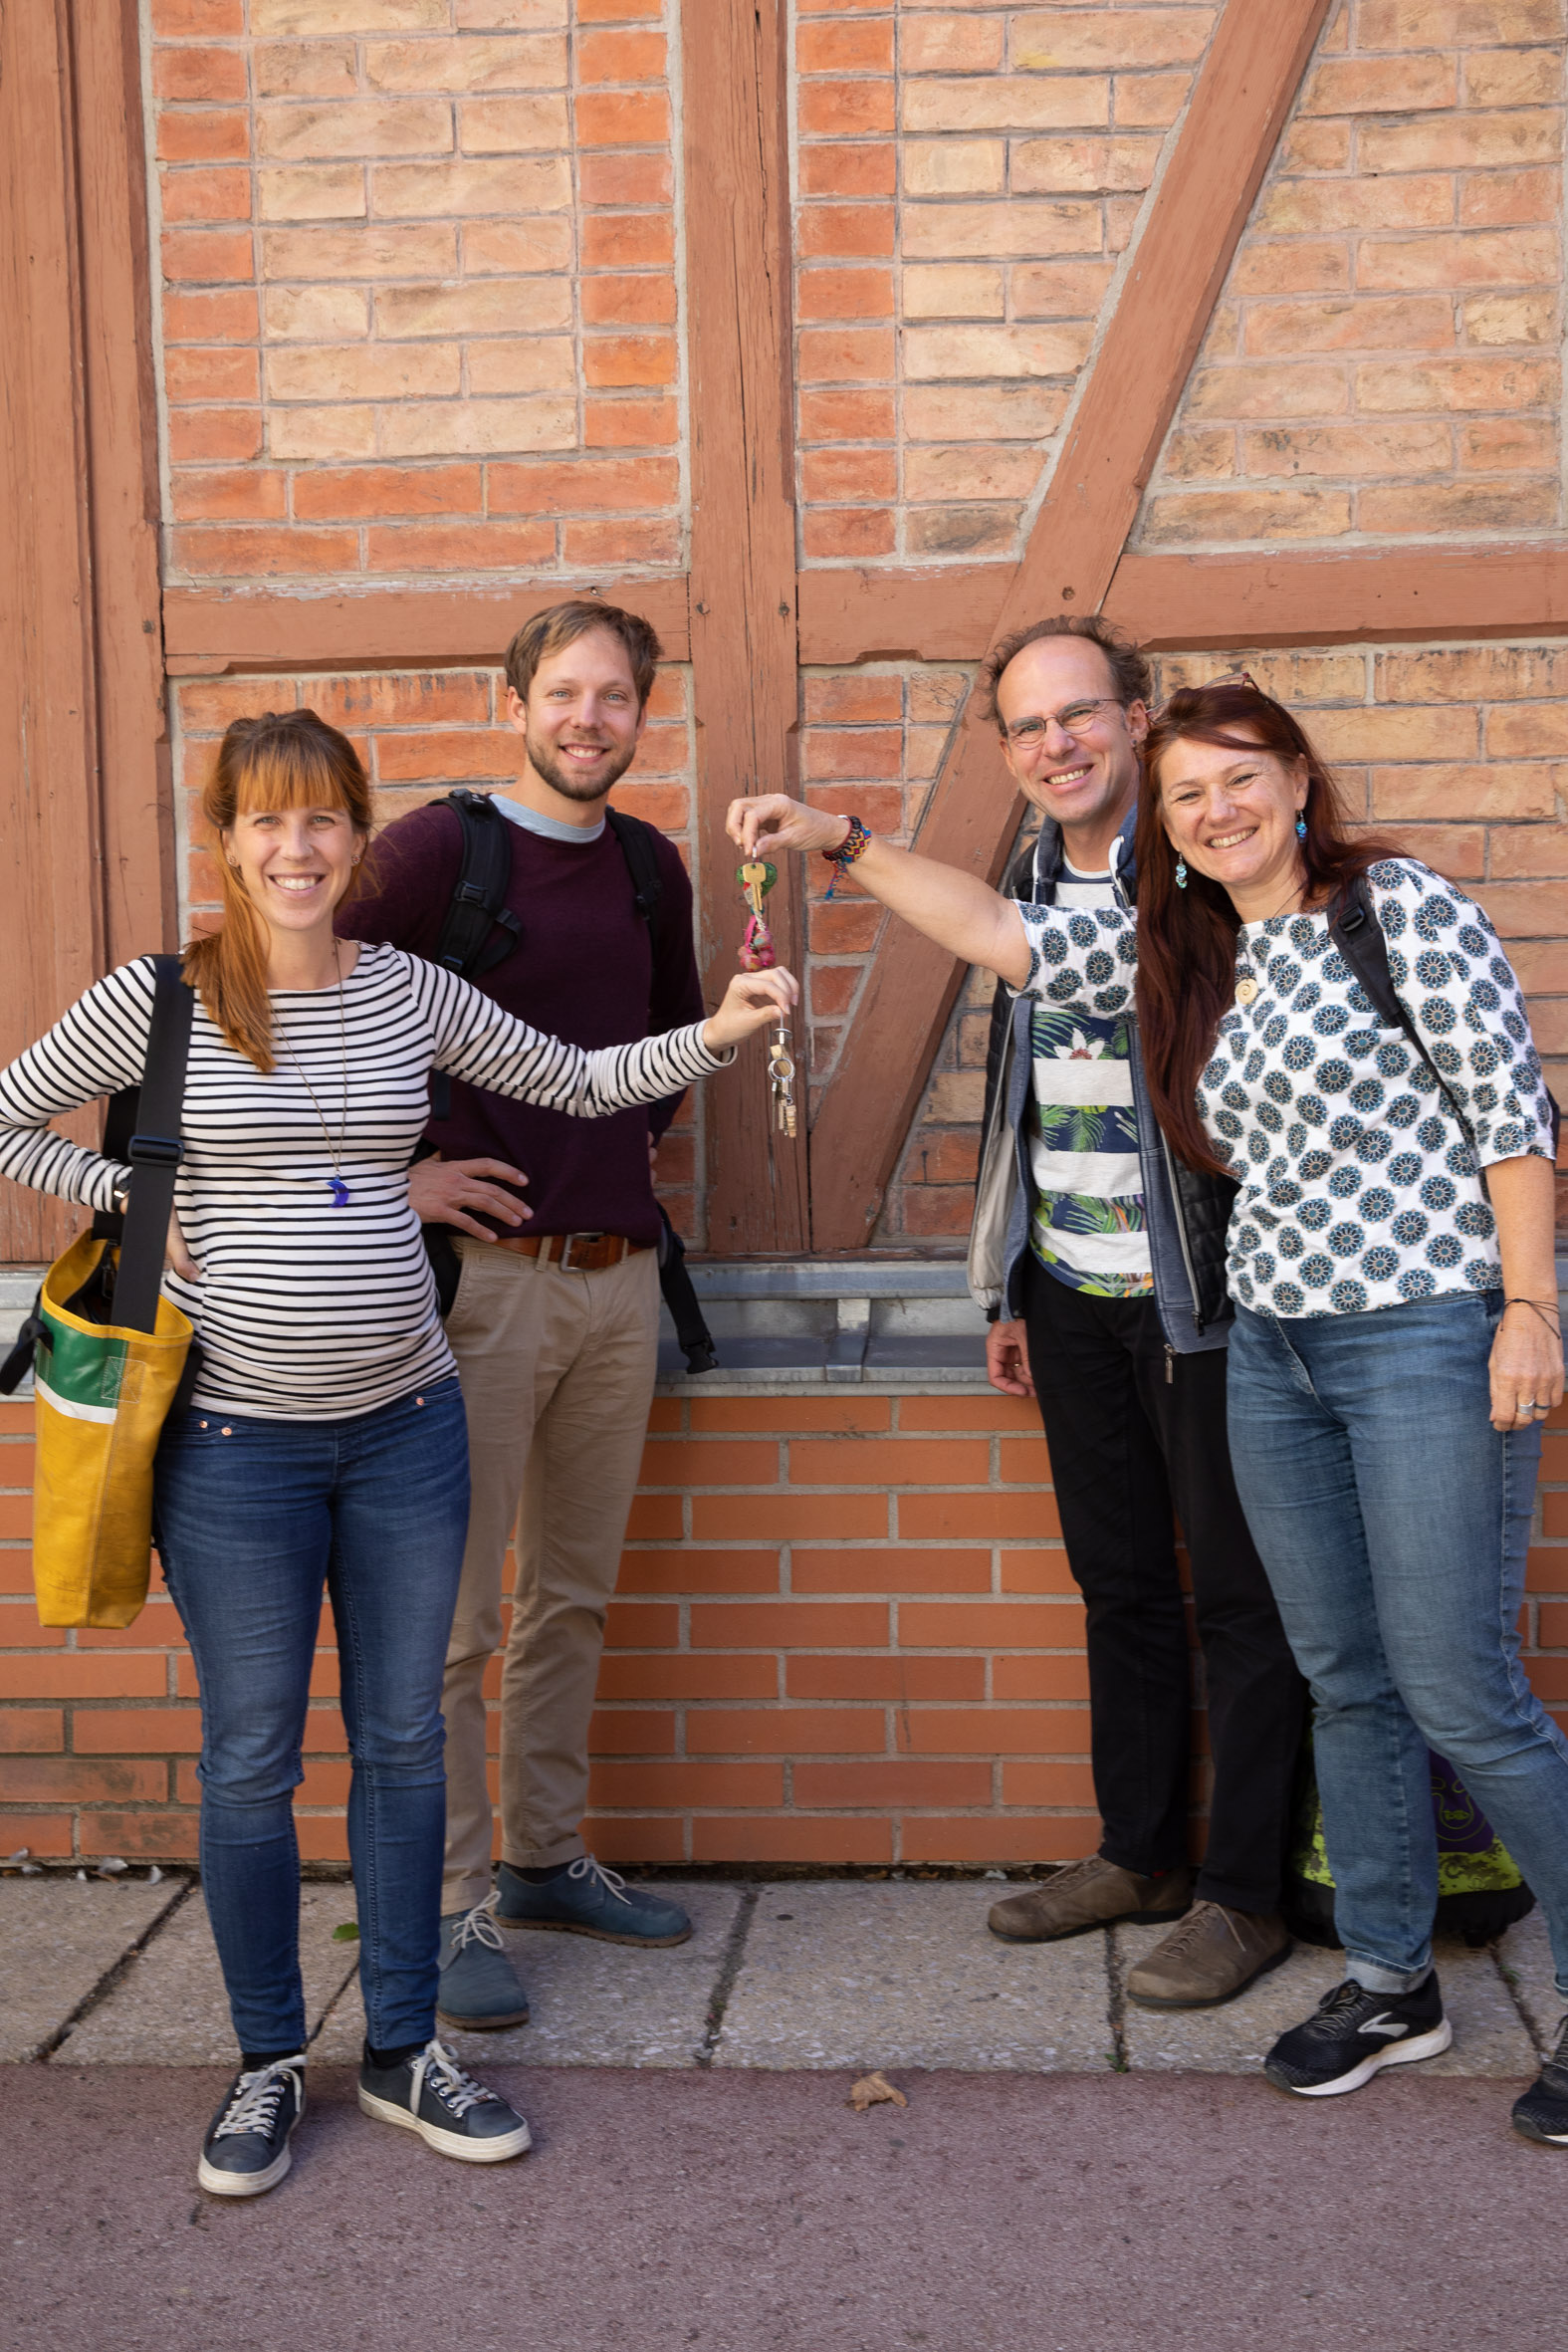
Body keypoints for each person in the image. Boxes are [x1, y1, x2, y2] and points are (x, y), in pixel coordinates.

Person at [728, 674, 1568, 2146]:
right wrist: (841, 840)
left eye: (1238, 777)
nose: (1216, 808)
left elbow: (1512, 1111)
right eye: (1187, 794)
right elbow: (1004, 934)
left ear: (1298, 776)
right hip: (1274, 1350)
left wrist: (1530, 1308)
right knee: (1343, 1673)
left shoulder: (1402, 907)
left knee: (1460, 1687)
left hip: (1427, 1334)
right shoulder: (1184, 949)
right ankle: (1388, 1977)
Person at [0, 708, 793, 2198]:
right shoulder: (160, 1000)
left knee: (407, 1741)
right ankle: (262, 2065)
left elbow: (575, 1077)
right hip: (233, 1447)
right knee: (247, 1760)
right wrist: (147, 1186)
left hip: (409, 1429)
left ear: (356, 840)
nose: (295, 849)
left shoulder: (405, 992)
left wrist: (721, 1033)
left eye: (322, 823)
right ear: (225, 840)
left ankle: (408, 2047)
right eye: (265, 822)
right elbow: (5, 1121)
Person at [886, 618, 1308, 2007]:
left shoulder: (1197, 873)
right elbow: (1028, 1096)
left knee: (1243, 1601)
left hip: (1206, 1294)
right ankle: (1142, 1853)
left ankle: (1247, 1896)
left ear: (1136, 720)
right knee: (1118, 1581)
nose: (1056, 743)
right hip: (1073, 1290)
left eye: (1080, 714)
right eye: (1027, 726)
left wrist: (843, 840)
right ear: (1008, 753)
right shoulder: (1022, 868)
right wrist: (1012, 1277)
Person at [336, 598, 714, 2030]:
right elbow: (295, 997)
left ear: (640, 714)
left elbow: (667, 1052)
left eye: (616, 697)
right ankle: (435, 1914)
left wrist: (603, 1166)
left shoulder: (647, 867)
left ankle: (543, 1854)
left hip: (616, 1281)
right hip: (475, 1290)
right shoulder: (440, 851)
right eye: (563, 692)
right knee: (447, 1617)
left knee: (573, 1592)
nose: (588, 718)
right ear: (514, 701)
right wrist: (394, 1175)